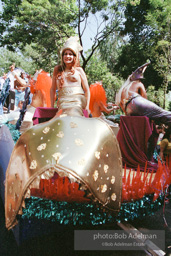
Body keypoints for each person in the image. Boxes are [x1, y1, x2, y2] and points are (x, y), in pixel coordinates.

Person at [115, 62, 171, 127]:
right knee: (162, 113)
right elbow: (145, 98)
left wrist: (127, 114)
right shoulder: (139, 84)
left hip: (128, 109)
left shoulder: (124, 88)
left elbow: (122, 105)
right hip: (137, 102)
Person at [0, 68, 52, 133]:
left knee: (6, 118)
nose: (33, 81)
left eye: (36, 80)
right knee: (6, 117)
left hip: (32, 112)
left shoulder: (42, 92)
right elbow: (24, 83)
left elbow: (45, 107)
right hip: (28, 110)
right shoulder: (34, 87)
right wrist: (13, 72)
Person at [50, 36, 90, 117]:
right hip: (63, 101)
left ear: (74, 56)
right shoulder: (57, 69)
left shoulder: (79, 70)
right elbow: (52, 89)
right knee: (61, 116)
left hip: (77, 100)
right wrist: (51, 106)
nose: (67, 56)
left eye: (70, 54)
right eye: (65, 54)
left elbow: (87, 90)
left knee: (73, 112)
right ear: (62, 56)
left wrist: (87, 106)